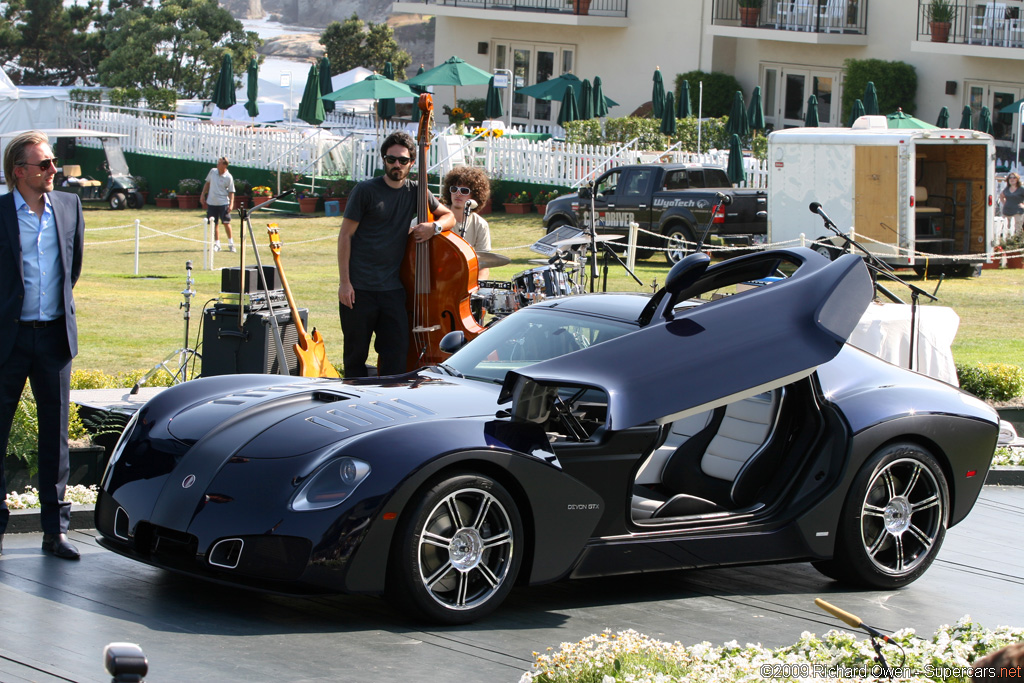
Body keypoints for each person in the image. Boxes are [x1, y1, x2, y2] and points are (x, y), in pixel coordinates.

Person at [0, 130, 85, 560]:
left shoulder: (69, 207)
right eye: (44, 164)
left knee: (56, 440)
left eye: (53, 162)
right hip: (7, 342)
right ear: (19, 172)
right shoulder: (0, 213)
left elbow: (73, 269)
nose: (54, 170)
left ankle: (56, 531)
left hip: (53, 338)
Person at [337, 131, 455, 378]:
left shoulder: (416, 191)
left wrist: (433, 227)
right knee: (355, 358)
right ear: (383, 160)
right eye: (391, 159)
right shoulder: (365, 191)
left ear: (412, 162)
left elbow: (449, 216)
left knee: (396, 357)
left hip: (392, 290)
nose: (396, 165)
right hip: (359, 289)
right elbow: (345, 236)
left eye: (402, 160)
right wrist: (345, 283)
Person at [442, 166, 493, 280]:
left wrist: (476, 290)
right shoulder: (436, 216)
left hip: (466, 284)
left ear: (475, 195)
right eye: (454, 189)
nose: (458, 194)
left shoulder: (480, 224)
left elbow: (484, 265)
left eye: (464, 191)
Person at [200, 157, 236, 252]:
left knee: (226, 223)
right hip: (211, 203)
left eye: (220, 163)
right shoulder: (212, 171)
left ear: (225, 165)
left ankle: (231, 244)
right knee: (213, 224)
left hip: (223, 203)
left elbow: (231, 192)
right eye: (218, 163)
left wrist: (231, 204)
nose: (217, 165)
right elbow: (207, 184)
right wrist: (202, 195)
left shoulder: (229, 177)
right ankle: (217, 244)